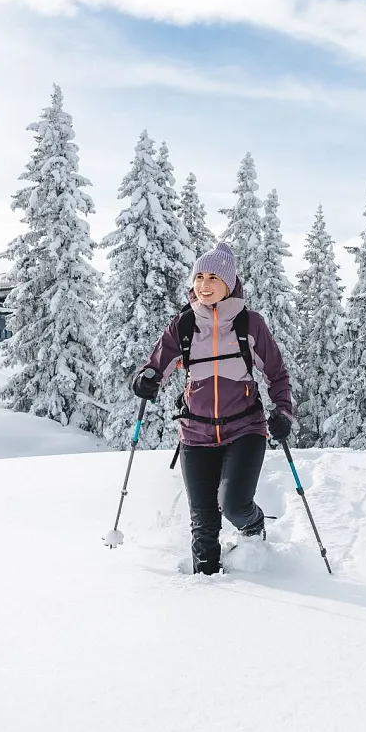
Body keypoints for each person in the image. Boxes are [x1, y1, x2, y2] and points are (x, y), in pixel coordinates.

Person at [131, 242, 295, 575]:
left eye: (213, 278)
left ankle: (254, 528)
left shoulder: (250, 324)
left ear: (229, 283)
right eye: (199, 277)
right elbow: (155, 368)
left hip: (245, 429)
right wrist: (144, 380)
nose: (204, 285)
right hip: (195, 433)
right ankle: (205, 599)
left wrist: (284, 414)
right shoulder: (184, 325)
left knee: (233, 506)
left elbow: (276, 374)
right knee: (204, 529)